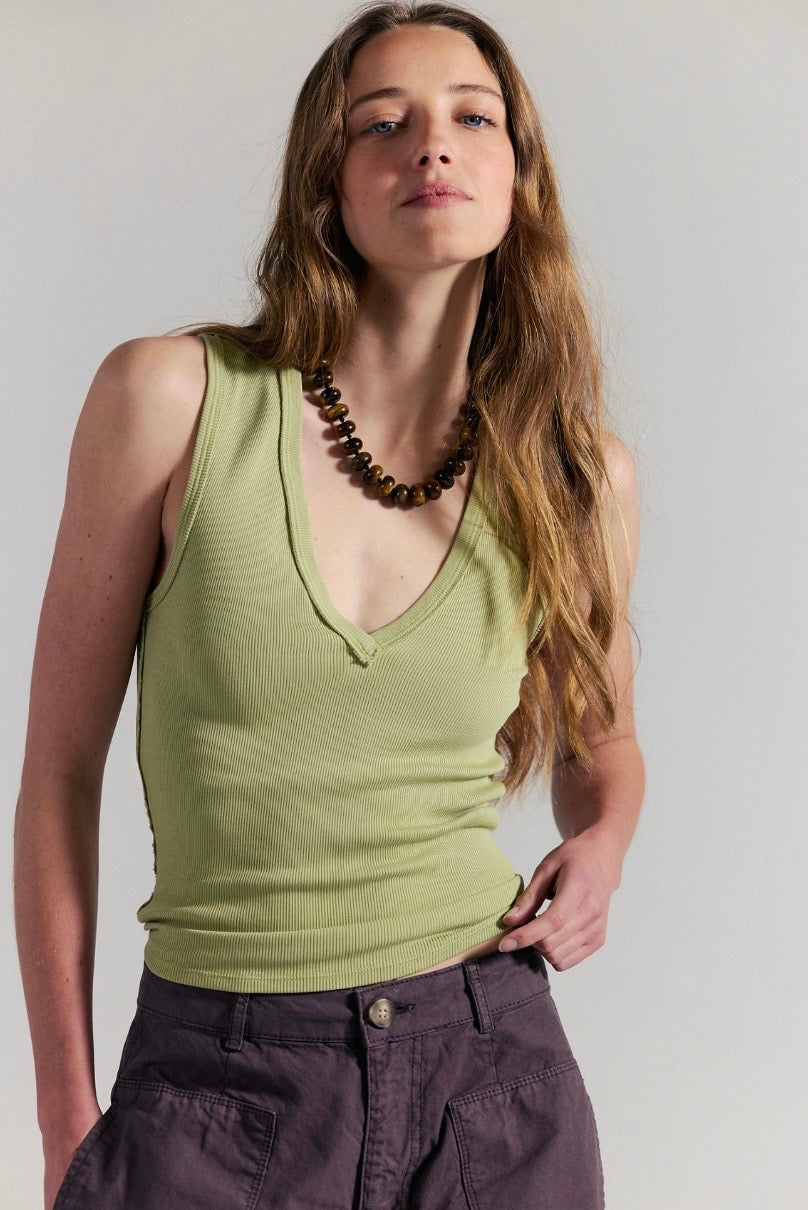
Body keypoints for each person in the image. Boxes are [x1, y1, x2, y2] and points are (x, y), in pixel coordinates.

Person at [14, 3, 645, 1207]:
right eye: (382, 124)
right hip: (215, 1084)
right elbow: (58, 772)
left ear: (519, 178)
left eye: (473, 118)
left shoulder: (574, 475)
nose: (432, 145)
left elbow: (601, 744)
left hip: (491, 1073)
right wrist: (64, 1115)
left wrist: (601, 847)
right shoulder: (170, 401)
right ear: (327, 183)